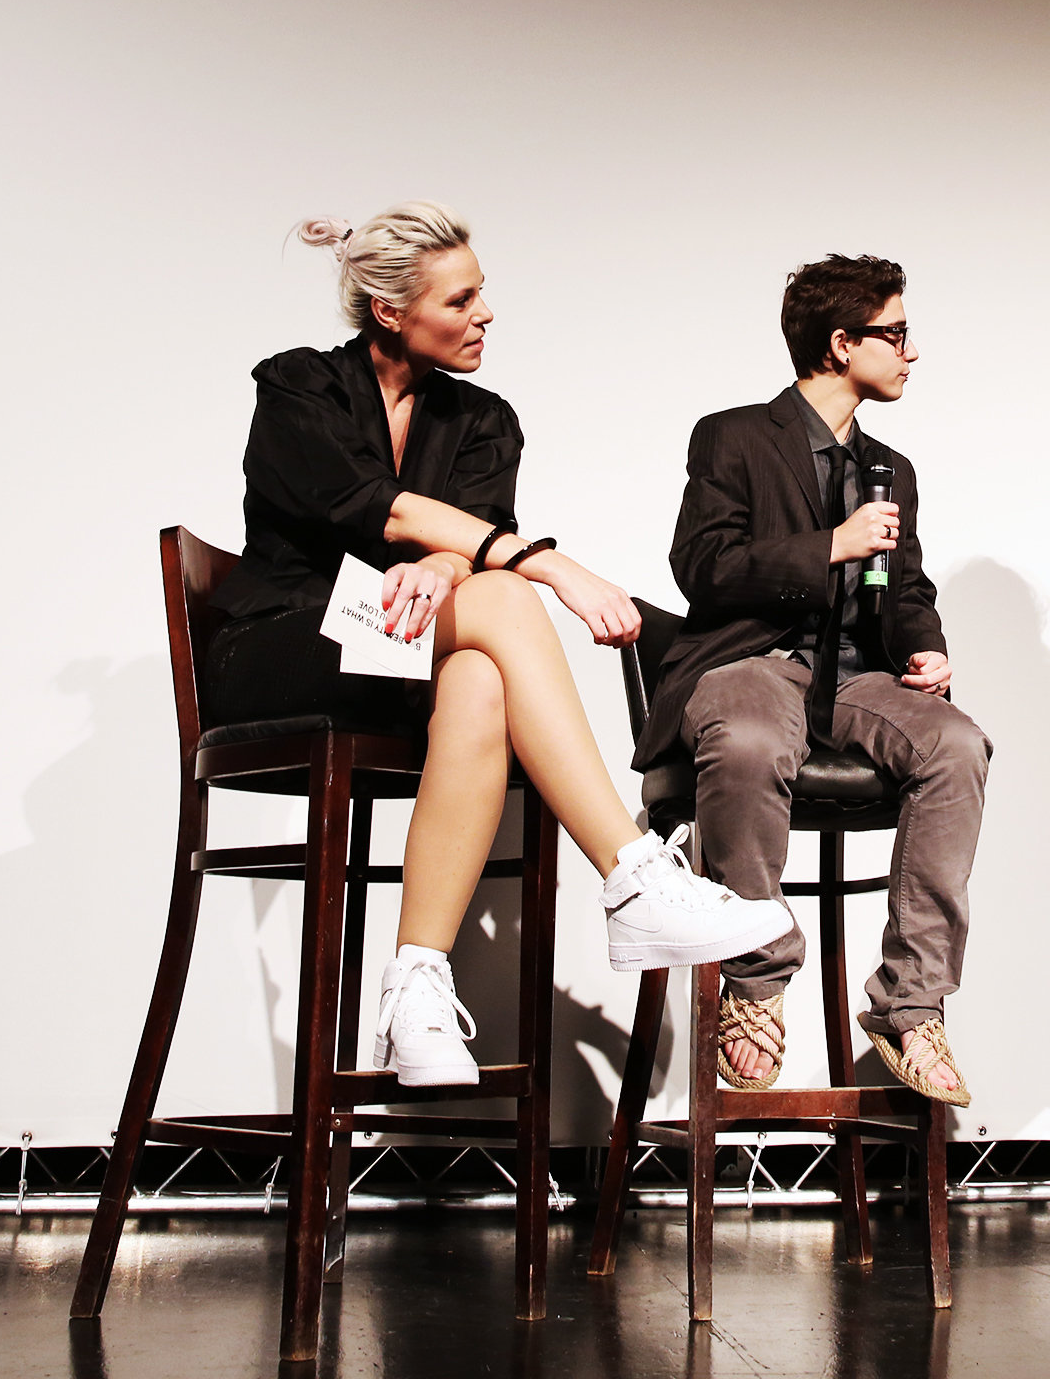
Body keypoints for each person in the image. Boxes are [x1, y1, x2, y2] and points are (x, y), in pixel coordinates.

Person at [202, 203, 791, 1087]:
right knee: (509, 594)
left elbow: (459, 534)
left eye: (484, 295)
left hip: (404, 650)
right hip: (287, 642)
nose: (485, 315)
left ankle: (415, 989)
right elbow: (378, 509)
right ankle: (631, 874)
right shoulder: (298, 387)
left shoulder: (483, 420)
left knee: (479, 676)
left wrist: (447, 567)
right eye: (462, 299)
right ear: (392, 312)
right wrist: (550, 567)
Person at [642, 254, 991, 1106]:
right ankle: (756, 981)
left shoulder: (889, 468)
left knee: (958, 746)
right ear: (841, 344)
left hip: (853, 677)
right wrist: (827, 546)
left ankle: (911, 1004)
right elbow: (704, 568)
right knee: (753, 740)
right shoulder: (732, 436)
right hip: (748, 661)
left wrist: (927, 647)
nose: (912, 352)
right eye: (897, 334)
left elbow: (905, 589)